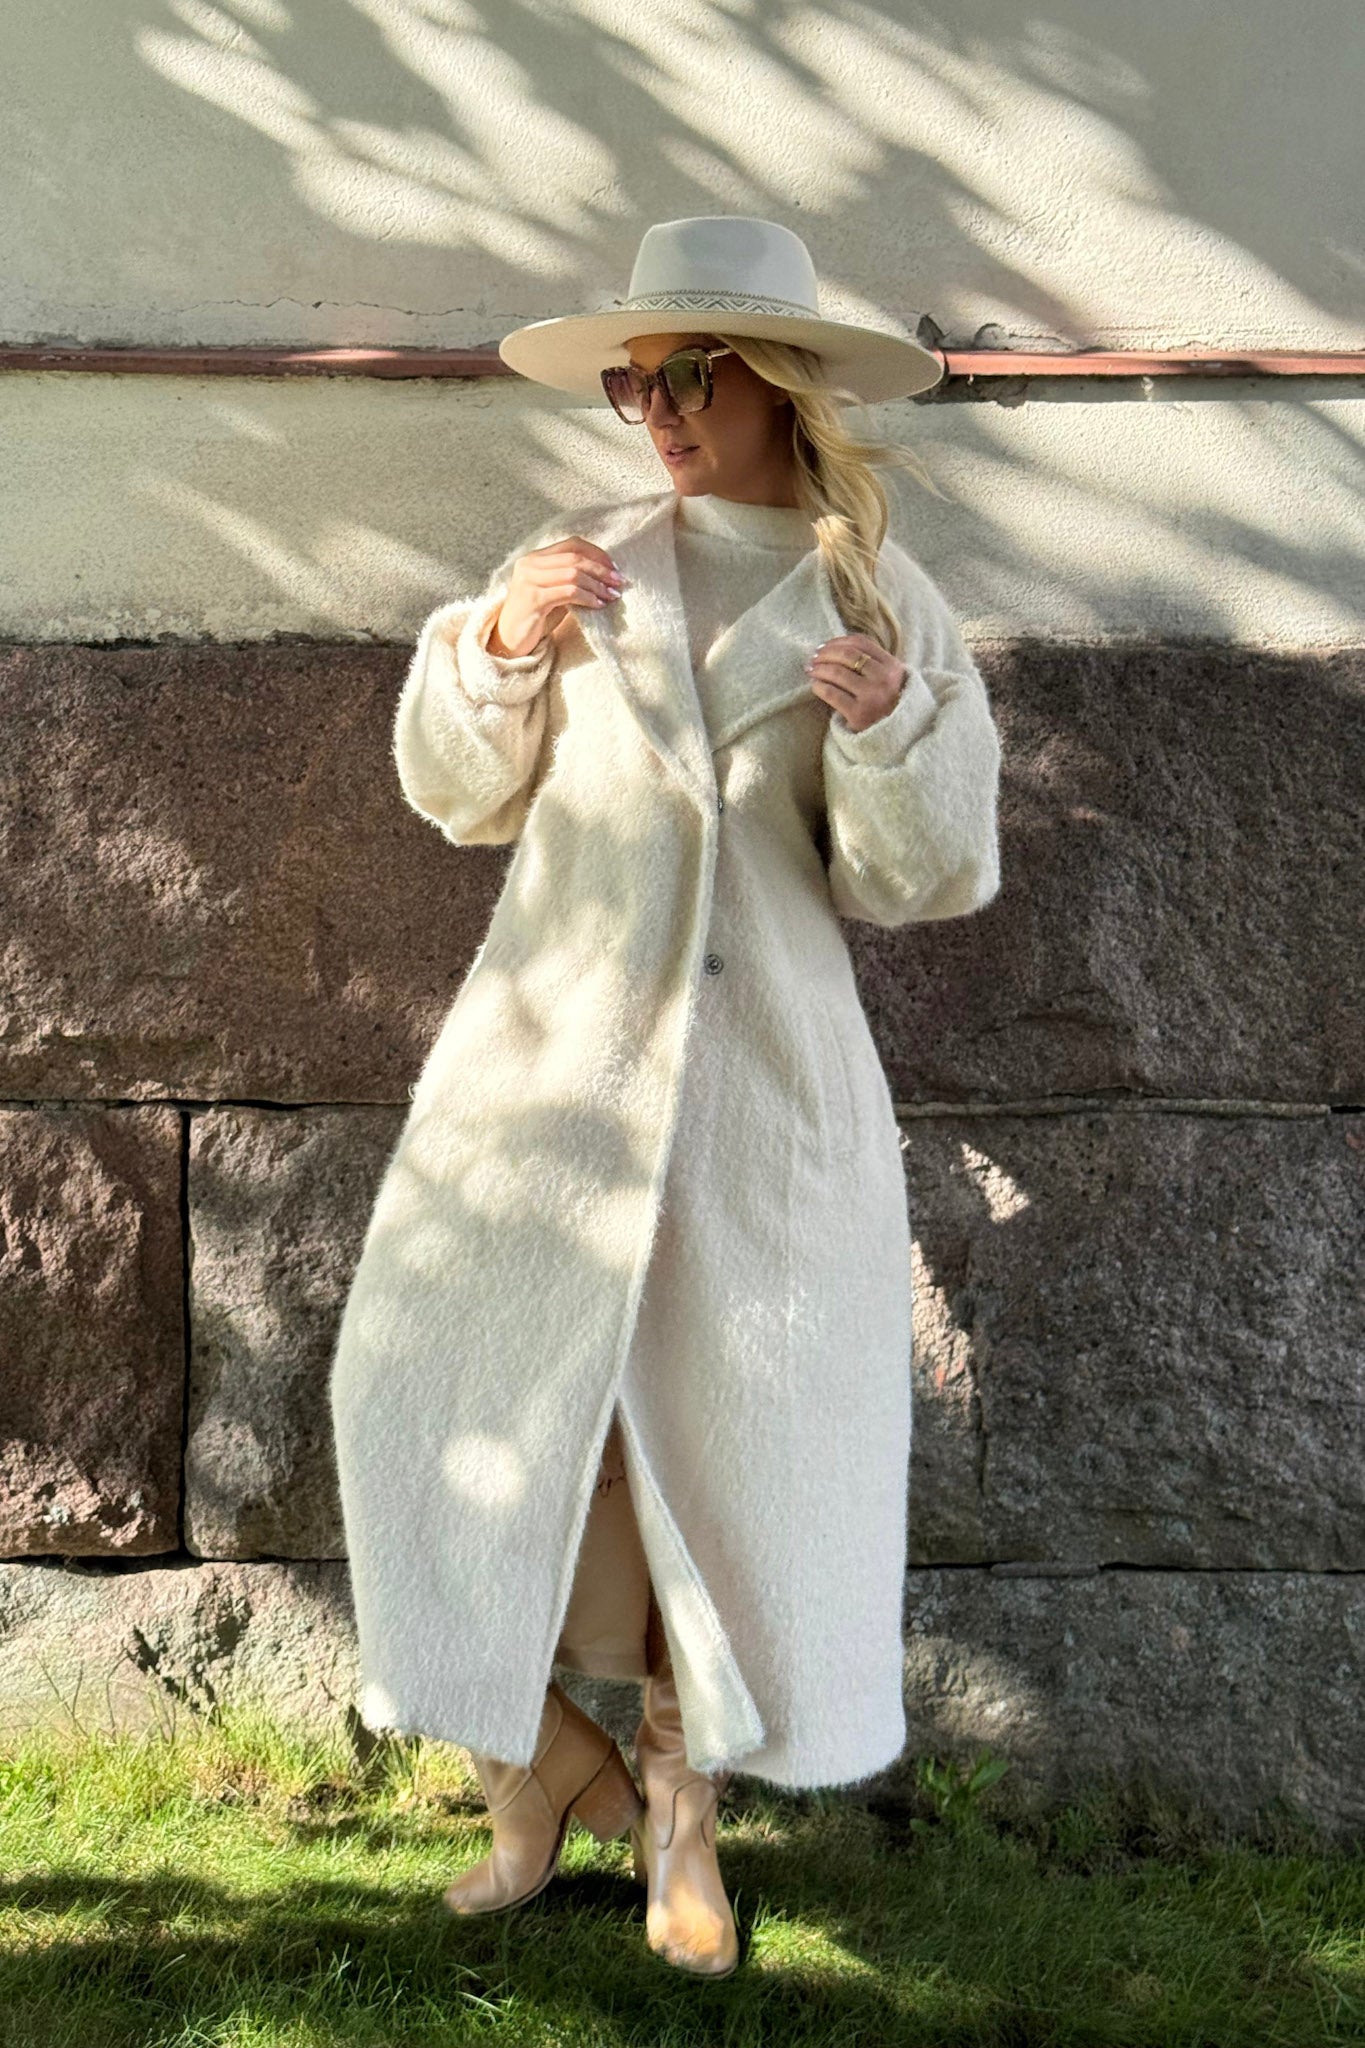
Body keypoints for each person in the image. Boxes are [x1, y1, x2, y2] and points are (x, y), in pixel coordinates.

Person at [328, 216, 1003, 1980]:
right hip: (541, 1077)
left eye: (685, 374)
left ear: (775, 382)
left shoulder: (876, 599)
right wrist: (494, 641)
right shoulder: (580, 562)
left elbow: (921, 879)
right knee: (416, 1390)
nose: (656, 409)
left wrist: (887, 734)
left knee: (715, 1449)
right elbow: (456, 796)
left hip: (757, 1094)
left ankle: (677, 1813)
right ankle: (530, 1774)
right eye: (632, 383)